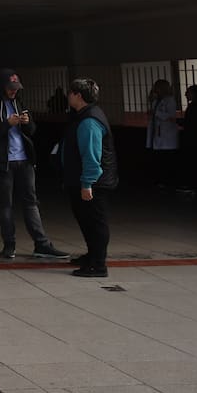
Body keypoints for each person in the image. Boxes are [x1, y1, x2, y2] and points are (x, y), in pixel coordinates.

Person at [0, 69, 70, 260]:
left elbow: (32, 130)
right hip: (2, 163)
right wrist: (6, 124)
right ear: (2, 87)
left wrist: (27, 123)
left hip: (24, 160)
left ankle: (42, 244)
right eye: (10, 88)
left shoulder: (18, 103)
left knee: (31, 202)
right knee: (5, 205)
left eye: (16, 88)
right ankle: (9, 245)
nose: (14, 92)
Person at [62, 78, 118, 278]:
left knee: (95, 222)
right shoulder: (83, 115)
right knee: (86, 220)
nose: (68, 96)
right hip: (84, 179)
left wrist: (87, 184)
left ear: (78, 95)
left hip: (94, 182)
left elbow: (91, 155)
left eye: (70, 92)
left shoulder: (89, 120)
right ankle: (92, 255)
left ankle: (98, 264)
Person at [146, 79, 179, 188]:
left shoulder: (170, 100)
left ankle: (167, 182)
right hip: (158, 134)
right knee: (159, 159)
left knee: (167, 160)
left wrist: (156, 113)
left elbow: (171, 116)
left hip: (167, 135)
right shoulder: (156, 101)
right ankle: (160, 182)